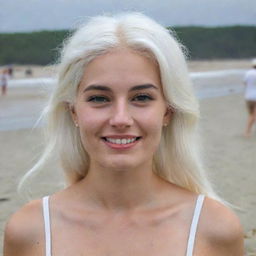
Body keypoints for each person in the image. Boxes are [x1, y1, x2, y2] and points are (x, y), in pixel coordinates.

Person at [4, 13, 244, 256]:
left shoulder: (213, 228)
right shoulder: (30, 230)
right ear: (73, 111)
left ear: (168, 111)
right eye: (99, 98)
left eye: (141, 98)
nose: (120, 119)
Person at [243, 58, 256, 137]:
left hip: (248, 97)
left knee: (251, 114)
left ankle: (247, 132)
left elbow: (244, 83)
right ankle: (247, 131)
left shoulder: (248, 73)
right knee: (253, 116)